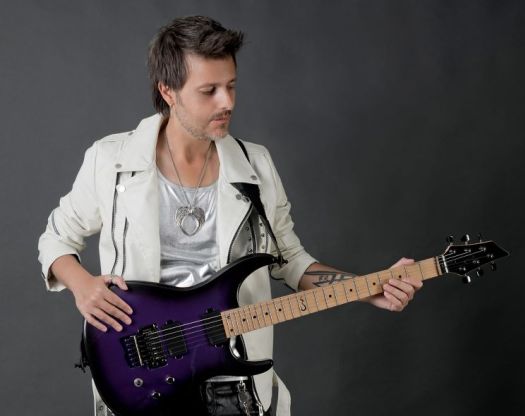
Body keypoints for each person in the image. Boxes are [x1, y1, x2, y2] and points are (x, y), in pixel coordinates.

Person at [37, 16, 422, 416]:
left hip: (235, 390)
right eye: (209, 91)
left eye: (231, 86)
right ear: (168, 91)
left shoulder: (256, 166)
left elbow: (290, 260)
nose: (228, 102)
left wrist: (366, 288)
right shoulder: (111, 160)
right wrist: (81, 285)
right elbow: (55, 240)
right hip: (143, 382)